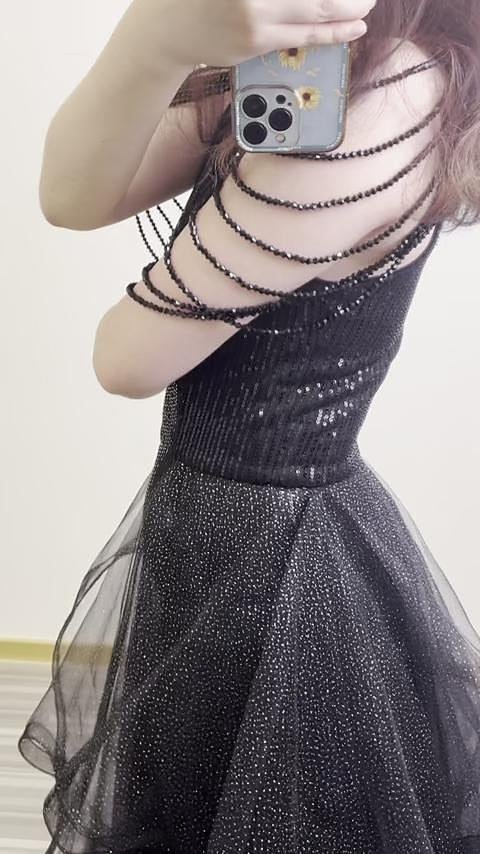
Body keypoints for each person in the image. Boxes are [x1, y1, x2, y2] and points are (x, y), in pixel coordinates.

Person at [17, 0, 480, 851]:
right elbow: (73, 197)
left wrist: (165, 41)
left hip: (273, 556)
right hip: (223, 525)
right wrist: (152, 40)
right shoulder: (320, 56)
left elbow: (127, 358)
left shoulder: (389, 90)